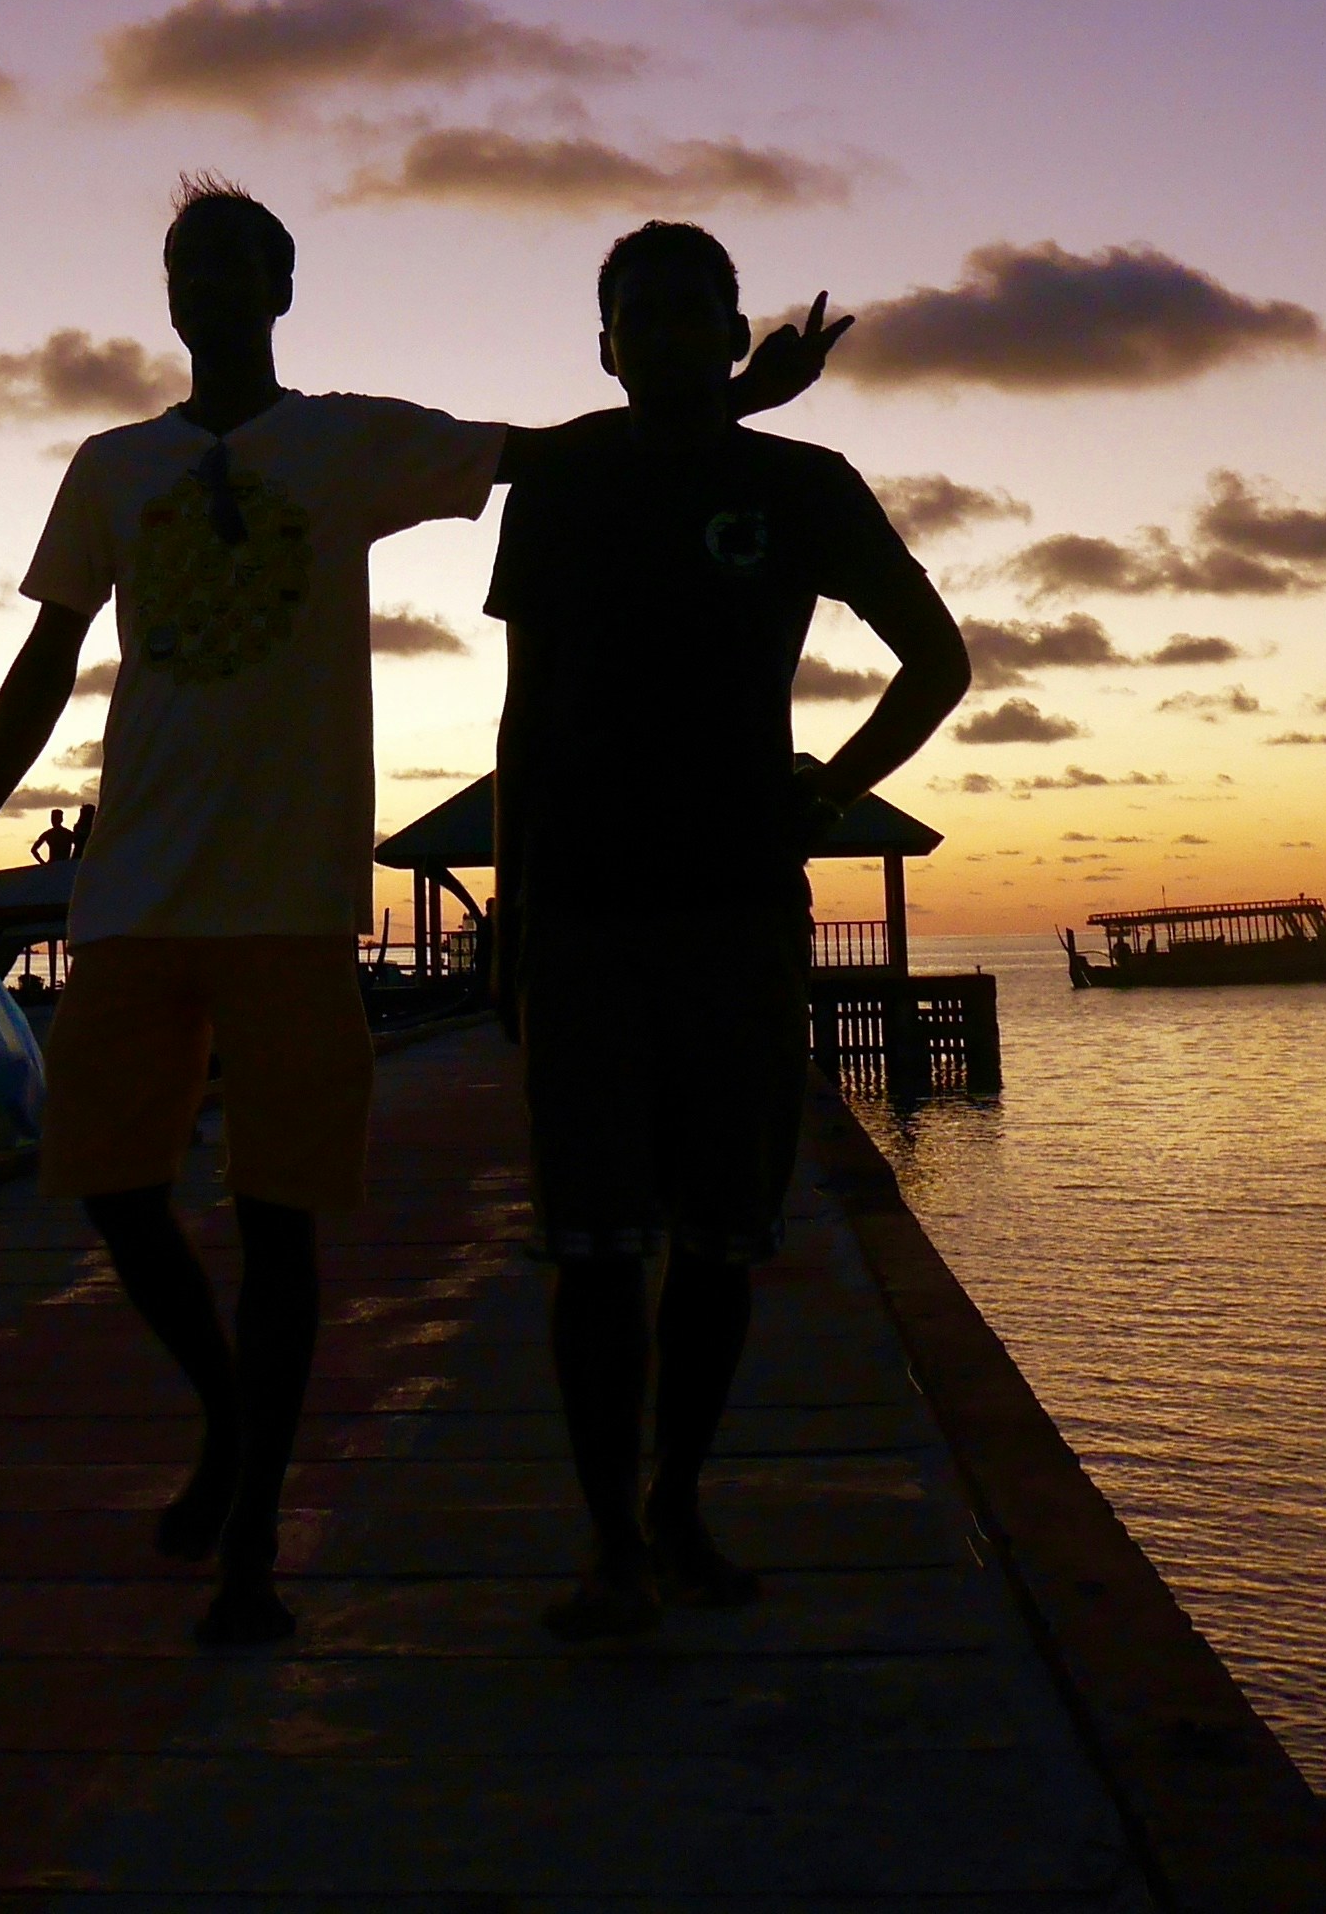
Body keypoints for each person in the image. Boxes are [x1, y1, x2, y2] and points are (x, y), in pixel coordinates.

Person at [0, 177, 842, 1648]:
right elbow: (48, 653)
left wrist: (730, 395)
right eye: (187, 267)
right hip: (134, 895)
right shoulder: (108, 465)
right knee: (111, 1187)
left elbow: (552, 460)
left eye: (236, 266)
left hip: (290, 903)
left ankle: (253, 1555)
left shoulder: (347, 440)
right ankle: (228, 1421)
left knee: (283, 1231)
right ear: (167, 297)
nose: (210, 289)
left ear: (282, 291)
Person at [488, 217, 969, 1638]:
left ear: (729, 326)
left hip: (739, 913)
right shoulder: (563, 483)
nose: (666, 332)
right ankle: (607, 1546)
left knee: (716, 1242)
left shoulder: (804, 487)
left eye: (693, 310)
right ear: (605, 344)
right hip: (580, 914)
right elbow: (522, 715)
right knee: (589, 1249)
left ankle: (677, 1505)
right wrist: (512, 920)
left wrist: (835, 786)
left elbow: (938, 660)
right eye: (639, 314)